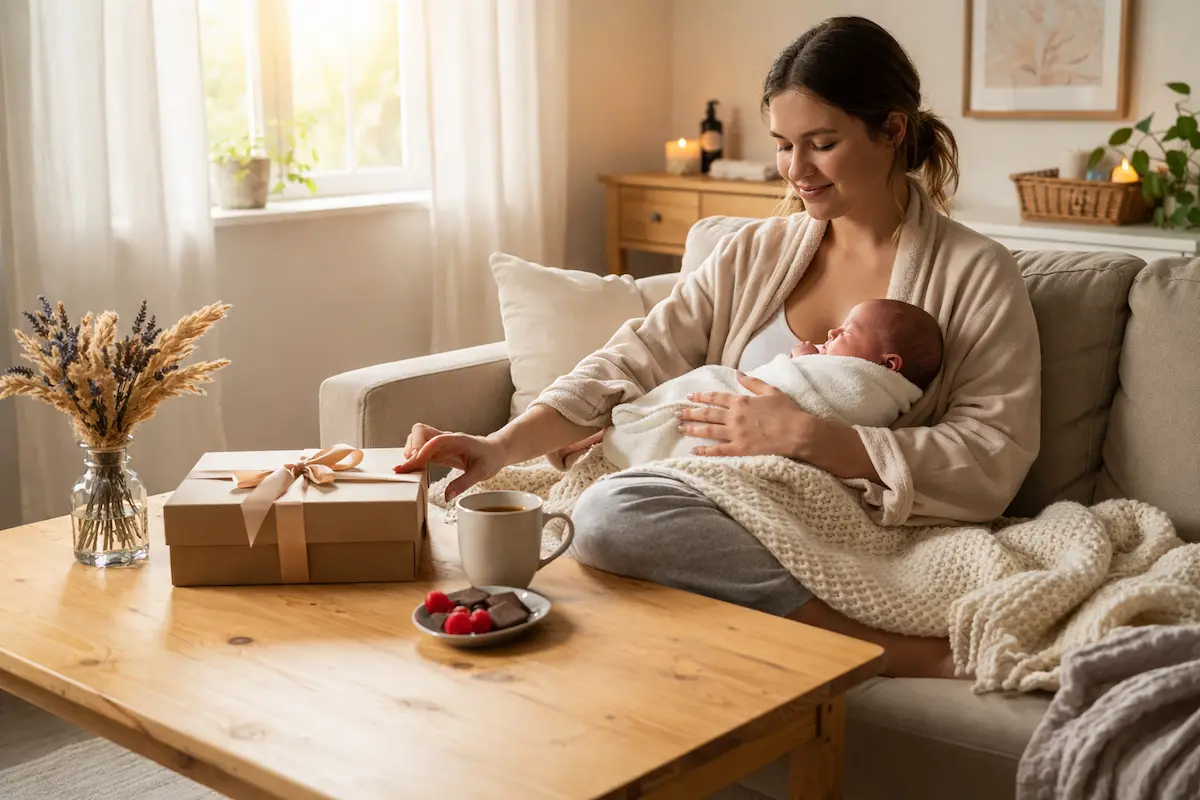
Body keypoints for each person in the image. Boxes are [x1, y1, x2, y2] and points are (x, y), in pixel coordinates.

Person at [397, 16, 1041, 679]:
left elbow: (993, 452)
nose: (797, 171)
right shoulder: (756, 252)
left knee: (611, 519)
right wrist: (500, 445)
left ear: (893, 130)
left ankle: (881, 649)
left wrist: (810, 437)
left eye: (821, 143)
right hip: (727, 499)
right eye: (784, 145)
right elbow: (636, 356)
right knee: (560, 515)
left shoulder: (976, 273)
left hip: (847, 524)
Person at [601, 299, 943, 470]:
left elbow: (831, 404)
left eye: (846, 332)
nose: (832, 333)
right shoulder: (751, 247)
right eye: (785, 153)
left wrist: (802, 363)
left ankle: (642, 433)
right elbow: (647, 344)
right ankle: (642, 427)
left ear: (888, 365)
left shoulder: (870, 387)